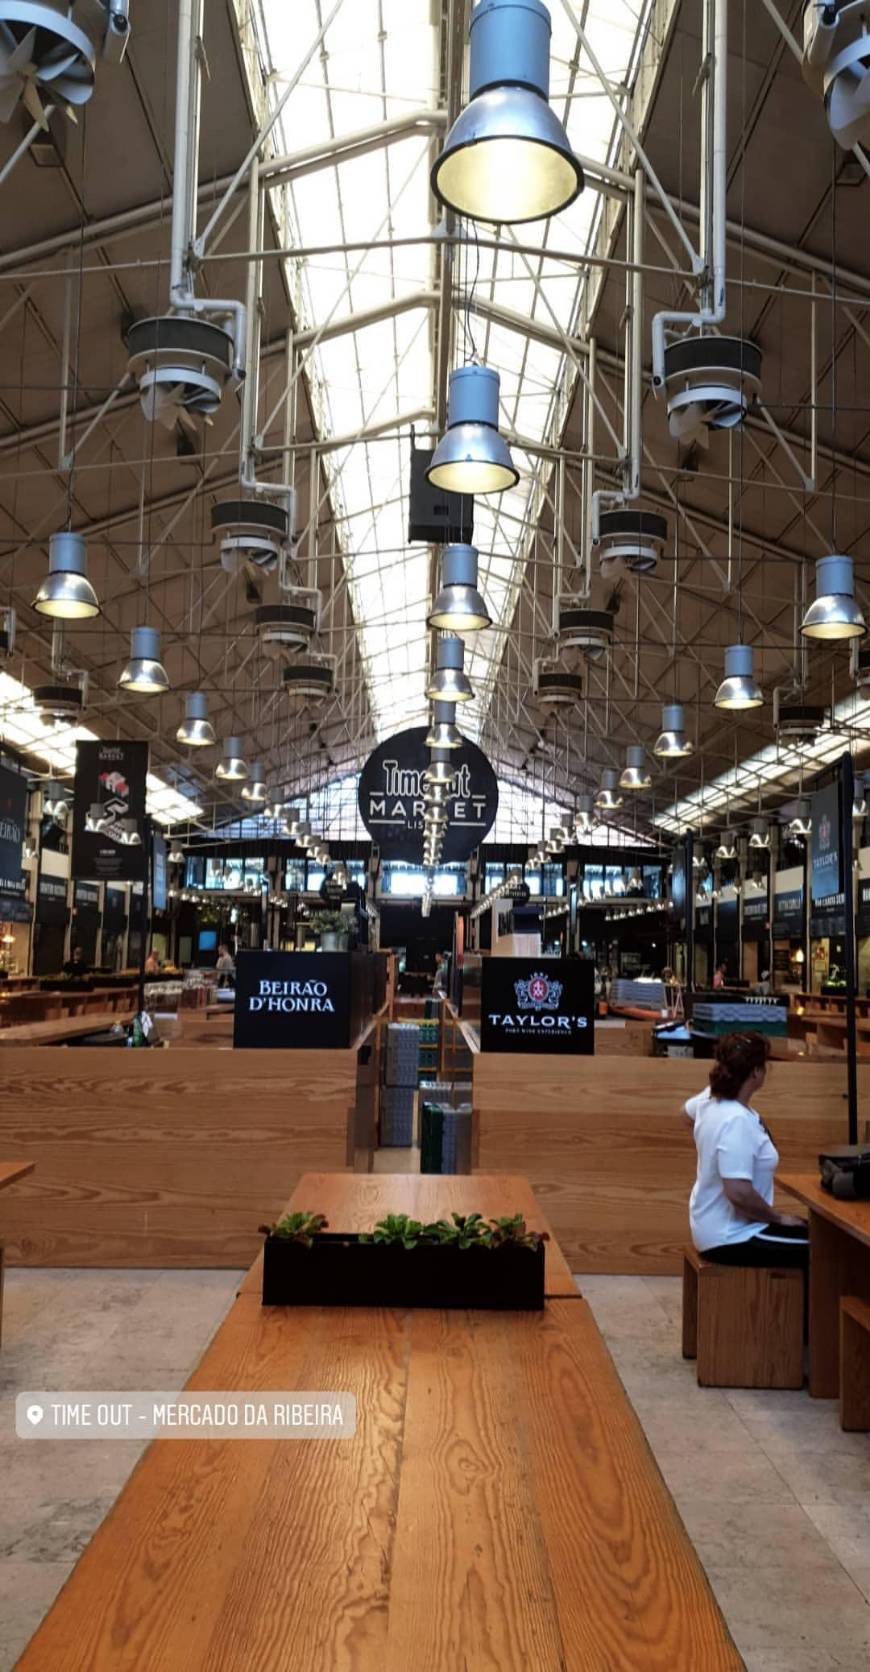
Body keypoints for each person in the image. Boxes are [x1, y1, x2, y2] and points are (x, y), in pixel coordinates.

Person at [685, 1032, 807, 1270]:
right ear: (755, 1072)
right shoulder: (735, 1121)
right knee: (825, 1251)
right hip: (734, 1236)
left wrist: (710, 1144)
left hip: (712, 1227)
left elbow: (685, 1114)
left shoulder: (709, 1099)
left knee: (812, 1235)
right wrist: (778, 1217)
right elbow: (738, 1193)